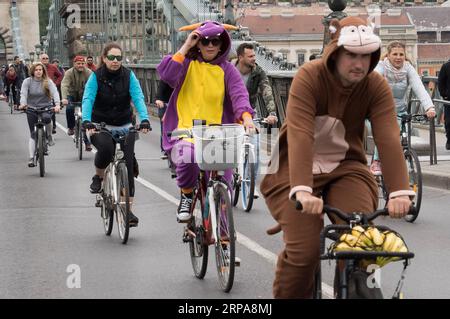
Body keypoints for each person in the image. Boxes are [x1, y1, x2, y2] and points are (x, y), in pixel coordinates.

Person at [260, 17, 415, 299]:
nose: (359, 63)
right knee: (304, 252)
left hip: (347, 168)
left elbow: (389, 137)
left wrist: (400, 191)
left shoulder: (375, 86)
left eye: (366, 56)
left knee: (360, 247)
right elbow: (301, 134)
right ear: (335, 53)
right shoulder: (310, 76)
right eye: (351, 55)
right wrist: (303, 189)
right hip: (291, 169)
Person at [157, 20, 255, 222]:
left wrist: (246, 118)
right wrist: (186, 45)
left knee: (223, 190)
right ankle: (186, 194)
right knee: (188, 157)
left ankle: (224, 240)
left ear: (223, 44)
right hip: (186, 130)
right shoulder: (186, 64)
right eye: (205, 41)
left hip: (219, 133)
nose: (210, 45)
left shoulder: (228, 70)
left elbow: (239, 95)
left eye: (216, 42)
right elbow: (166, 74)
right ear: (198, 44)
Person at [82, 42, 151, 227]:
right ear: (104, 58)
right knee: (105, 149)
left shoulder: (129, 76)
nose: (115, 61)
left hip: (124, 123)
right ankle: (98, 176)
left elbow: (138, 97)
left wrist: (144, 119)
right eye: (111, 57)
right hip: (100, 124)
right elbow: (88, 98)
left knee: (128, 169)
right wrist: (86, 121)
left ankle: (128, 212)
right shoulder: (96, 77)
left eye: (118, 58)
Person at [369, 41, 436, 174]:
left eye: (401, 54)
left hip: (400, 109)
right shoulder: (382, 66)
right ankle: (377, 161)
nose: (398, 57)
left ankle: (401, 162)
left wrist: (429, 107)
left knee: (400, 137)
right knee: (384, 133)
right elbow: (373, 80)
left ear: (405, 56)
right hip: (382, 108)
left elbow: (419, 88)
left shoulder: (408, 68)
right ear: (388, 55)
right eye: (395, 54)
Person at [234, 43, 278, 198]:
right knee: (227, 149)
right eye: (251, 56)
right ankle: (228, 176)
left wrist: (272, 112)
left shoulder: (258, 72)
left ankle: (249, 183)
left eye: (254, 55)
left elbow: (267, 91)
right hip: (230, 114)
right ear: (240, 57)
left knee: (256, 148)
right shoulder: (229, 71)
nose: (254, 58)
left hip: (250, 114)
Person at [19, 62, 61, 167]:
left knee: (47, 119)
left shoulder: (48, 81)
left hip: (45, 107)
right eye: (36, 69)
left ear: (43, 71)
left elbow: (55, 92)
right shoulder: (27, 81)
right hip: (31, 108)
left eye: (40, 70)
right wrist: (23, 104)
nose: (38, 71)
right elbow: (23, 93)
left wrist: (57, 105)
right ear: (33, 71)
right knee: (33, 133)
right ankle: (31, 158)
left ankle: (49, 135)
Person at [61, 55, 93, 150]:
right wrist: (64, 98)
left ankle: (87, 143)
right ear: (74, 64)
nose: (80, 65)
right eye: (78, 63)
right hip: (71, 95)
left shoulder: (89, 72)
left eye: (82, 63)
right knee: (69, 108)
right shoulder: (69, 73)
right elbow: (64, 85)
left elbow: (93, 86)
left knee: (86, 117)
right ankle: (71, 127)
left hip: (84, 95)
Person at [40, 54, 63, 134]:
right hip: (40, 92)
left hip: (51, 91)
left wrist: (55, 83)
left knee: (51, 110)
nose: (45, 59)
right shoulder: (38, 67)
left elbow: (60, 75)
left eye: (47, 58)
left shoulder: (53, 67)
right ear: (40, 59)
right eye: (43, 58)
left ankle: (53, 127)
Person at [154, 79, 173, 160]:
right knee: (165, 126)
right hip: (166, 103)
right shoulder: (167, 76)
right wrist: (158, 99)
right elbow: (160, 89)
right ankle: (165, 149)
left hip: (181, 103)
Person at [438, 58, 450, 150]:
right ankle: (449, 140)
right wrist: (445, 95)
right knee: (449, 121)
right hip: (449, 100)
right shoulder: (446, 66)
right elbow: (440, 82)